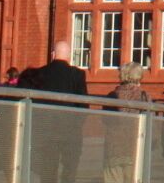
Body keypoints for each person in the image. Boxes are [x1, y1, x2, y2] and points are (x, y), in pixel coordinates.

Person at [20, 41, 89, 183]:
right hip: (70, 132)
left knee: (48, 172)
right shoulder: (77, 75)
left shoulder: (39, 74)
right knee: (70, 172)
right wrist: (77, 125)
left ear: (52, 54)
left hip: (46, 131)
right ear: (69, 56)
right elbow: (83, 106)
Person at [102, 62, 151, 183]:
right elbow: (150, 124)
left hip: (113, 150)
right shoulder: (144, 97)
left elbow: (105, 120)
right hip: (135, 149)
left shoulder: (112, 96)